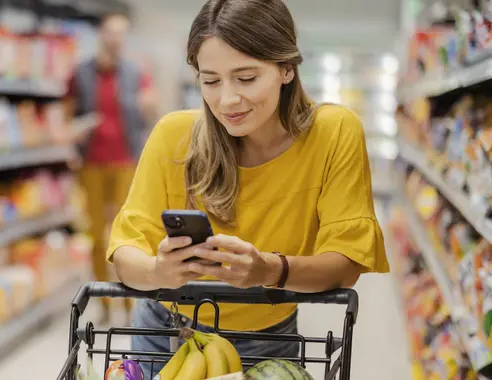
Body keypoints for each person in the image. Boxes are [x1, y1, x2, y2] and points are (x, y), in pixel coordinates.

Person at [107, 0, 390, 376]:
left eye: (246, 78)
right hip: (164, 332)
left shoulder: (334, 133)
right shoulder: (173, 137)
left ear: (286, 68)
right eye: (211, 80)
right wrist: (160, 271)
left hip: (267, 339)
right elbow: (125, 252)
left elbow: (346, 264)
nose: (227, 100)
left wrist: (268, 270)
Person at [67, 11, 156, 323]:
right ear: (101, 35)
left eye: (122, 33)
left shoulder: (135, 72)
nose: (116, 38)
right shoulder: (81, 73)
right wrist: (73, 132)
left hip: (125, 162)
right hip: (91, 162)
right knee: (95, 234)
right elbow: (68, 114)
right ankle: (103, 302)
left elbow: (148, 112)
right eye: (111, 32)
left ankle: (130, 304)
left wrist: (149, 107)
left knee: (126, 235)